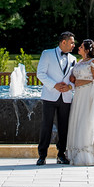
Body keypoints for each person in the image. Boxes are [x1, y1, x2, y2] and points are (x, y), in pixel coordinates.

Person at [36, 31, 76, 165]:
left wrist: (69, 86)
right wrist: (55, 85)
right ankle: (42, 155)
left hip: (66, 97)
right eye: (71, 42)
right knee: (46, 126)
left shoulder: (73, 59)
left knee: (64, 127)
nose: (73, 45)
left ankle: (61, 154)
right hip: (49, 96)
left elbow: (74, 79)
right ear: (63, 42)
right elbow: (40, 74)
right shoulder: (47, 54)